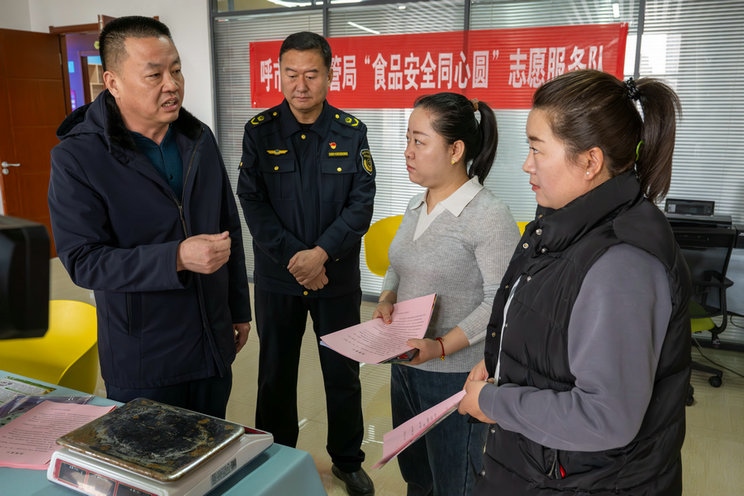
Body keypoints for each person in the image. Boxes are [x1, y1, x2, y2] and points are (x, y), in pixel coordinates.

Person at [458, 69, 691, 495]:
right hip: (538, 467)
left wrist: (493, 402)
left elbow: (605, 417)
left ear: (589, 162)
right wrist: (502, 364)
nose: (527, 164)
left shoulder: (622, 263)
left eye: (536, 148)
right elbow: (550, 323)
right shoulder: (565, 222)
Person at [48, 16, 252, 419]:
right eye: (154, 75)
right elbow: (84, 261)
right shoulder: (78, 157)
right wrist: (175, 257)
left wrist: (238, 310)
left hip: (212, 343)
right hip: (144, 355)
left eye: (176, 70)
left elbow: (228, 226)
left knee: (212, 449)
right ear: (113, 82)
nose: (171, 84)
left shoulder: (198, 138)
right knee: (148, 456)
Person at [236, 31, 375, 496]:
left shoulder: (351, 132)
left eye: (311, 74)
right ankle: (275, 456)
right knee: (275, 372)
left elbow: (361, 203)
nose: (301, 85)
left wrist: (320, 255)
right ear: (279, 74)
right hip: (279, 279)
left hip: (335, 277)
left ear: (329, 76)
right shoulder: (259, 131)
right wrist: (296, 260)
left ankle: (348, 461)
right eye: (291, 74)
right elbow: (252, 202)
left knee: (343, 373)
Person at [372, 93, 521, 496]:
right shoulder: (415, 204)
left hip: (455, 376)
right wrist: (386, 299)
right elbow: (398, 264)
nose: (408, 151)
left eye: (419, 141)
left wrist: (439, 347)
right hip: (406, 365)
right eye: (407, 139)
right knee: (417, 475)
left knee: (454, 483)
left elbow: (500, 302)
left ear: (456, 150)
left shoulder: (489, 215)